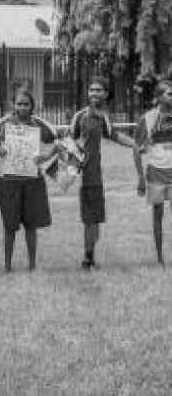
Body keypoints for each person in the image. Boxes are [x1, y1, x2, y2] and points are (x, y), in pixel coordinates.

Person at [0, 89, 60, 272]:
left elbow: (59, 140)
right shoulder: (4, 124)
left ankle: (32, 265)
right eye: (19, 103)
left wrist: (46, 156)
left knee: (31, 225)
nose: (22, 107)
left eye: (26, 104)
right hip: (8, 180)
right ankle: (7, 266)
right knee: (9, 226)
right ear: (13, 105)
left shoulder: (39, 125)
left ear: (32, 106)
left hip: (32, 181)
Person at [70, 76, 134, 270]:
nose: (94, 93)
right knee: (90, 219)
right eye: (91, 90)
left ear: (106, 94)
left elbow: (113, 135)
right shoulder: (80, 116)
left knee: (95, 219)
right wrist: (74, 167)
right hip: (86, 175)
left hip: (96, 175)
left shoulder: (103, 116)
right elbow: (67, 141)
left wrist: (135, 145)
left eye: (98, 90)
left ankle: (90, 257)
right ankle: (87, 260)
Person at [134, 79, 172, 265]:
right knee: (158, 215)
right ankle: (159, 259)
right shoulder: (147, 118)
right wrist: (141, 177)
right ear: (158, 97)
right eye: (169, 93)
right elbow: (136, 148)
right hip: (156, 172)